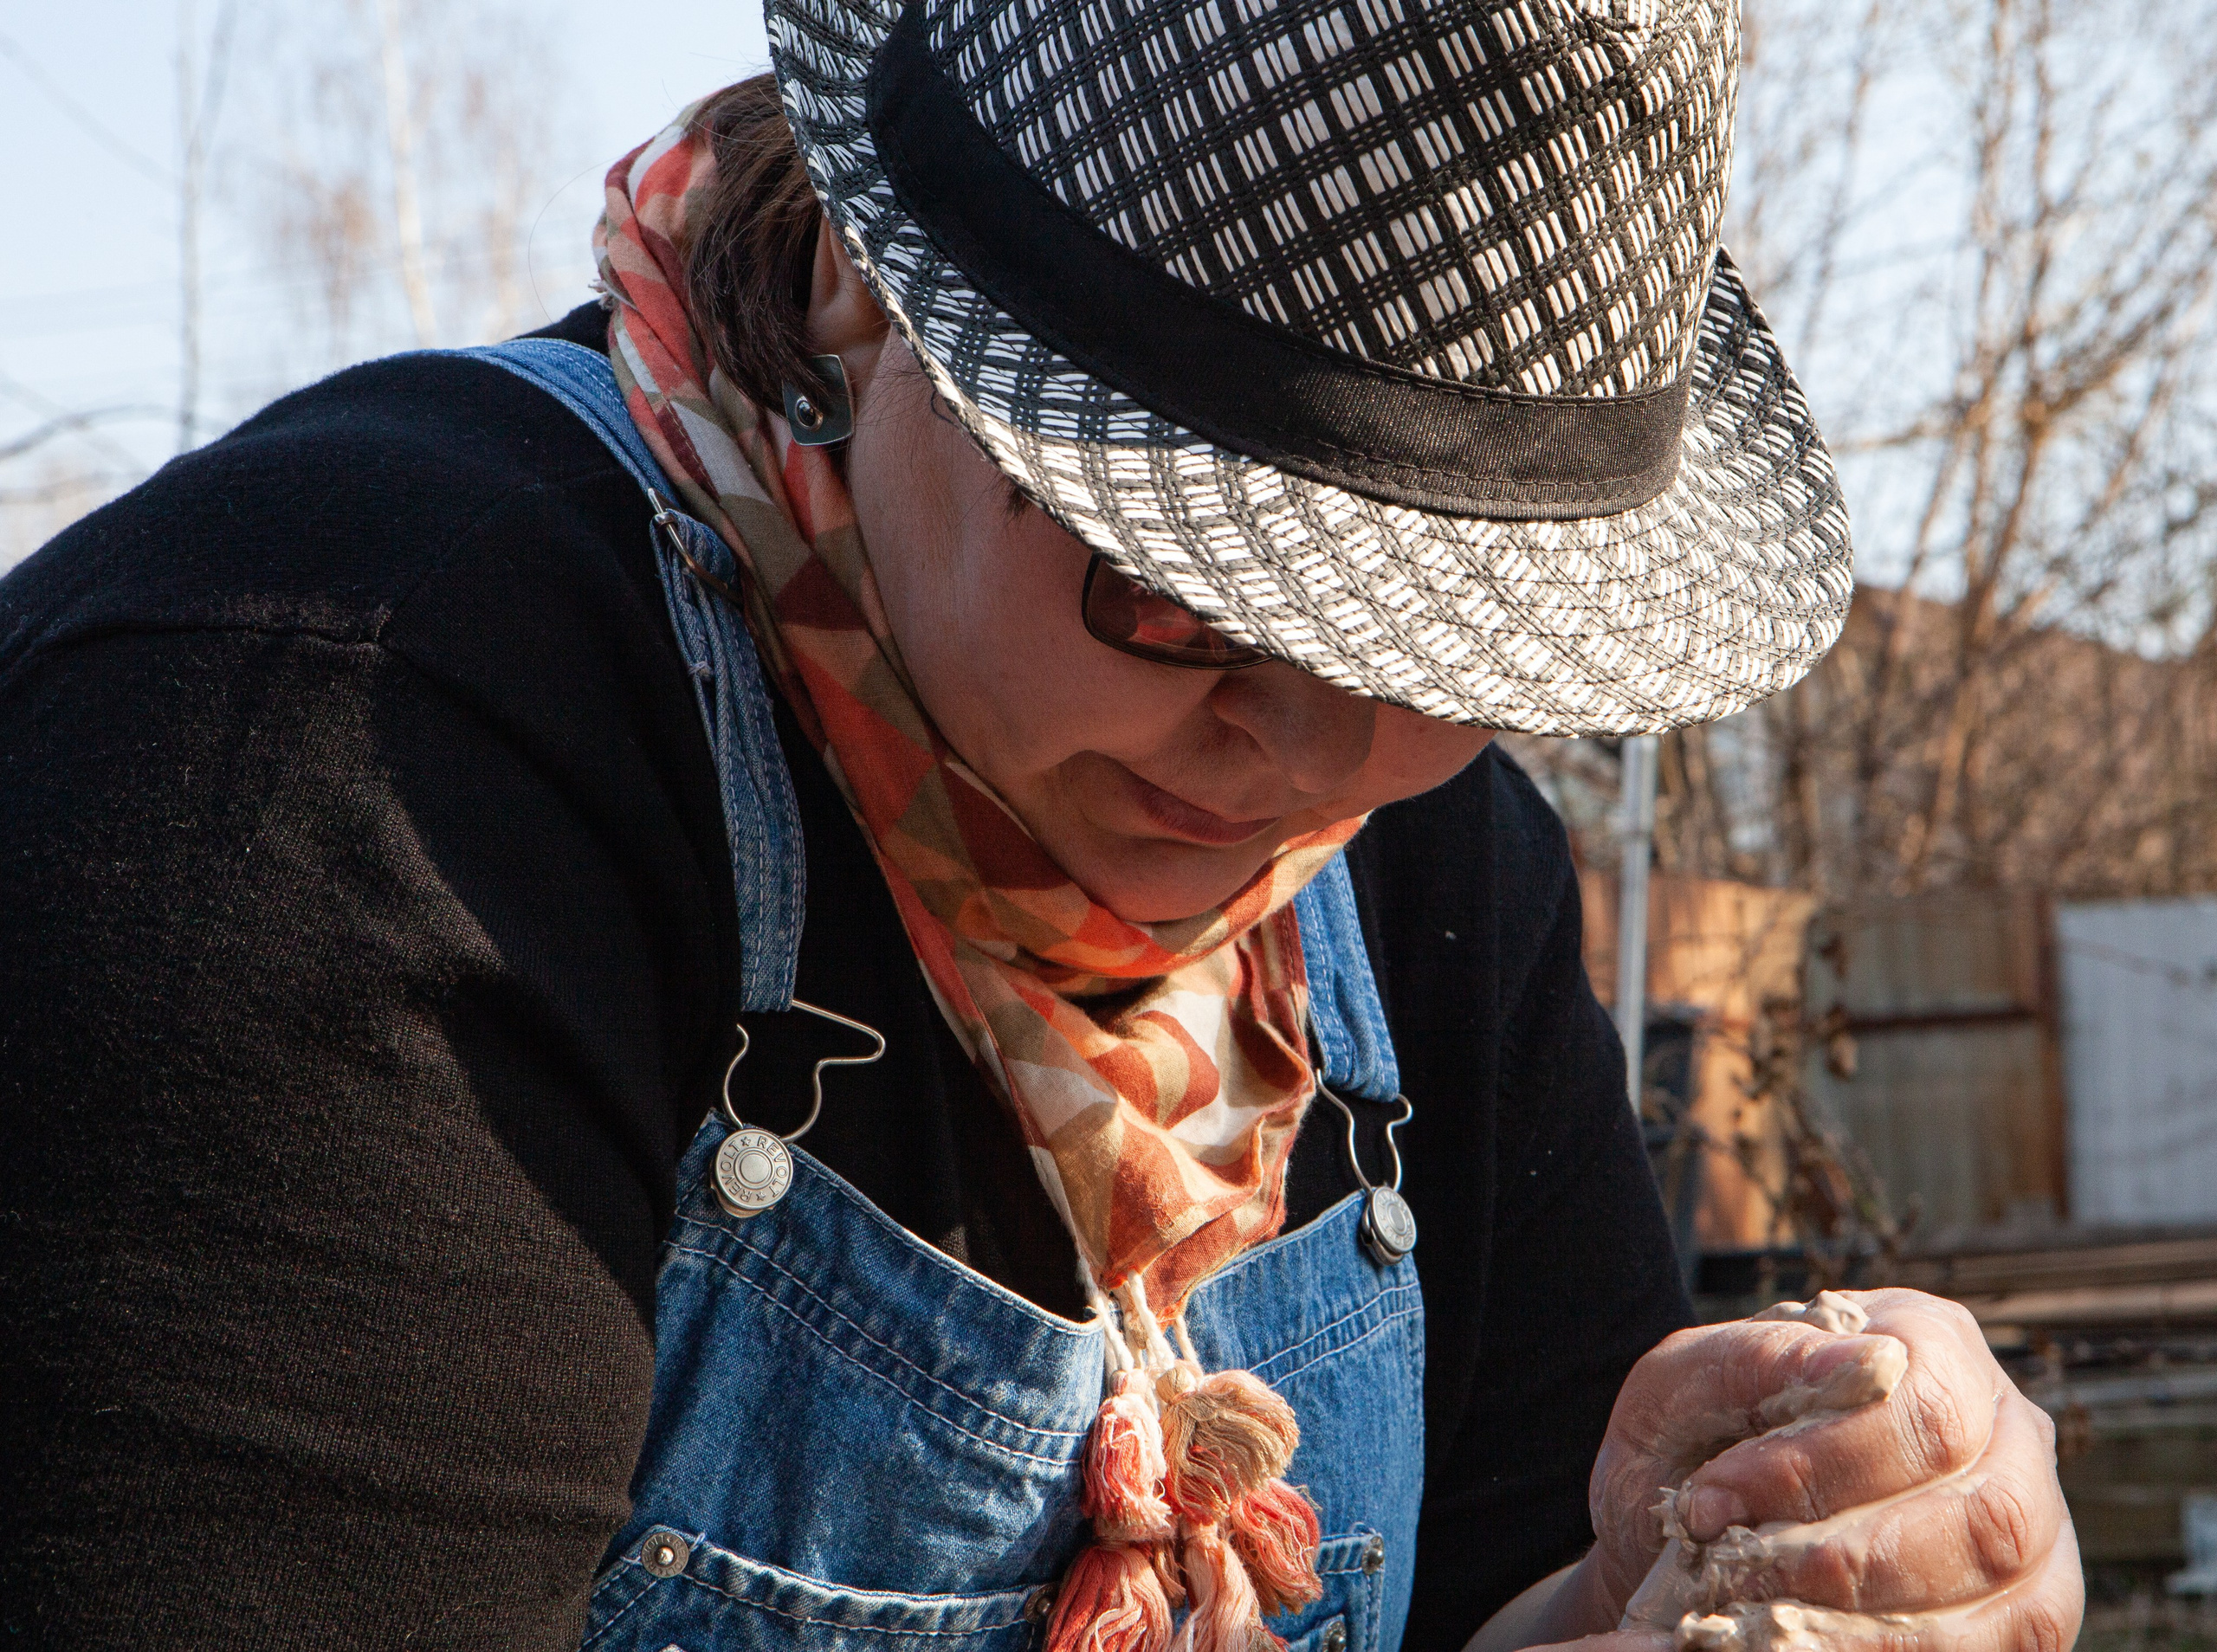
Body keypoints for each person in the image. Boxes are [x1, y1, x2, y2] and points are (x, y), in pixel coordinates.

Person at [0, 0, 2080, 1648]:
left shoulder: (1433, 870)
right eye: (1187, 581)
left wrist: (1676, 1584)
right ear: (857, 295)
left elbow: (1488, 1588)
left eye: (1448, 637)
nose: (1306, 745)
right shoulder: (322, 757)